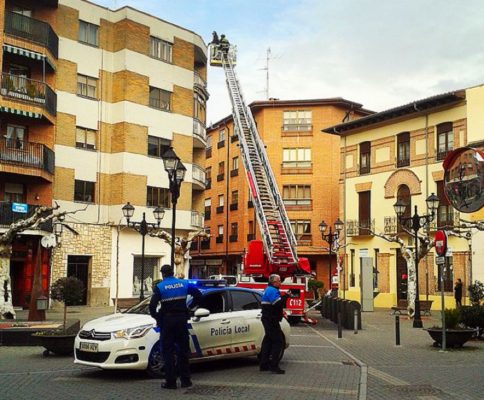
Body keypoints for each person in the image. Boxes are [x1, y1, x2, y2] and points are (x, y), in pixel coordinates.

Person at [149, 264, 201, 390]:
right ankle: (186, 381)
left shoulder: (160, 287)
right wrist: (189, 309)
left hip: (167, 321)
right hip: (181, 320)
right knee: (183, 351)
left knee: (167, 351)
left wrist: (157, 317)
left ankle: (171, 382)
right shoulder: (184, 283)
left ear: (163, 274)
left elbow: (152, 306)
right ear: (172, 272)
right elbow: (198, 295)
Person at [259, 274, 287, 374]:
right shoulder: (272, 290)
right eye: (279, 281)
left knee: (268, 341)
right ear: (274, 282)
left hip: (268, 319)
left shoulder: (268, 289)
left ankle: (264, 364)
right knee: (278, 342)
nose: (280, 283)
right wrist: (286, 296)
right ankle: (274, 366)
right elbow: (277, 304)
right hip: (271, 320)